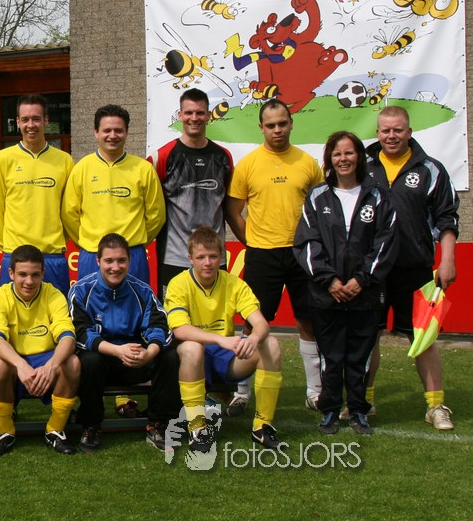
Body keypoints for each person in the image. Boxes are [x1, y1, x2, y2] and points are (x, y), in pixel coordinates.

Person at [294, 132, 397, 435]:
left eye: (349, 153)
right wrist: (329, 281)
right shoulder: (317, 196)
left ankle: (357, 410)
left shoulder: (378, 195)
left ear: (360, 157)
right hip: (327, 294)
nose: (343, 159)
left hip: (365, 294)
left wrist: (361, 280)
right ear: (329, 159)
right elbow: (307, 242)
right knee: (331, 356)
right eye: (337, 154)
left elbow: (386, 242)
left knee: (359, 357)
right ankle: (329, 409)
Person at [225, 98, 323, 410]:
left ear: (291, 123)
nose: (277, 130)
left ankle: (315, 392)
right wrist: (251, 241)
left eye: (282, 123)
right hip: (262, 255)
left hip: (301, 255)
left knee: (308, 321)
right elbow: (233, 210)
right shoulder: (248, 164)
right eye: (271, 125)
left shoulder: (308, 163)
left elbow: (321, 207)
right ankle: (242, 391)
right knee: (253, 323)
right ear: (261, 128)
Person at [365, 106, 459, 430]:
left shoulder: (431, 169)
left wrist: (447, 259)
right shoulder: (363, 166)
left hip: (415, 268)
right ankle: (364, 402)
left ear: (409, 132)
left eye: (398, 130)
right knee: (368, 337)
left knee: (424, 339)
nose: (391, 136)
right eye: (385, 130)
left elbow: (447, 218)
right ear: (377, 133)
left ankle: (435, 406)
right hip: (372, 271)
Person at [165, 226, 287, 451]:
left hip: (225, 358)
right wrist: (220, 339)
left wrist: (253, 339)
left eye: (213, 256)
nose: (207, 263)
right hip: (193, 358)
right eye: (201, 257)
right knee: (191, 347)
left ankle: (262, 426)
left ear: (222, 256)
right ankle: (198, 428)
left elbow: (261, 323)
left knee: (270, 343)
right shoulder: (178, 284)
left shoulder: (234, 283)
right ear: (190, 258)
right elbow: (180, 329)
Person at [68, 233, 179, 453]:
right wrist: (117, 351)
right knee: (88, 360)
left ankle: (158, 424)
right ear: (98, 261)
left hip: (134, 361)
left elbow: (159, 327)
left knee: (170, 356)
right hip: (102, 360)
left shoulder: (143, 291)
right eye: (109, 261)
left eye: (121, 260)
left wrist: (148, 354)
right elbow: (80, 333)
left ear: (129, 261)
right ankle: (91, 426)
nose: (115, 267)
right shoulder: (81, 290)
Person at [0, 244, 80, 456]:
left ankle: (55, 430)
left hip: (46, 361)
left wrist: (51, 366)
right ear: (11, 273)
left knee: (72, 363)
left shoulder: (54, 295)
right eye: (22, 274)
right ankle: (4, 431)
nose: (29, 281)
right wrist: (20, 365)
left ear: (43, 274)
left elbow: (68, 337)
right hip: (15, 362)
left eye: (35, 275)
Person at [64, 104, 165, 285]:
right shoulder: (82, 168)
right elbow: (69, 214)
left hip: (132, 255)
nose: (112, 135)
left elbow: (156, 215)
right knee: (90, 304)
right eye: (107, 130)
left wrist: (136, 240)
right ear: (96, 132)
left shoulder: (144, 169)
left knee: (135, 303)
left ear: (127, 133)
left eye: (118, 130)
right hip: (92, 254)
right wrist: (87, 242)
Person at [149, 89, 235, 296]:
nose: (194, 118)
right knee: (173, 314)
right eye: (188, 113)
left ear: (208, 115)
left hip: (212, 258)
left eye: (200, 113)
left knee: (215, 313)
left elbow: (229, 207)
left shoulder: (224, 157)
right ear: (180, 115)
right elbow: (150, 206)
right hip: (174, 257)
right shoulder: (161, 157)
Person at [0, 95, 75, 294]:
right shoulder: (1, 159)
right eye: (25, 119)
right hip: (15, 255)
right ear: (18, 122)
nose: (31, 125)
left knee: (56, 312)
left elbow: (68, 210)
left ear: (46, 121)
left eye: (36, 119)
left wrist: (57, 241)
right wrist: (9, 246)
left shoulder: (64, 161)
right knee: (11, 312)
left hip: (52, 255)